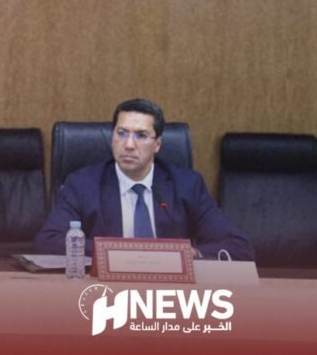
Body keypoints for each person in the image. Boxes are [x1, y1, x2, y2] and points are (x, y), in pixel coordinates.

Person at [35, 98, 255, 260]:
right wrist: (121, 254)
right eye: (121, 133)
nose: (129, 144)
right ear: (112, 137)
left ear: (157, 144)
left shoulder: (186, 185)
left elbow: (239, 247)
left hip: (170, 293)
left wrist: (192, 254)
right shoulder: (84, 184)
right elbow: (49, 241)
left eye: (141, 135)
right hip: (105, 289)